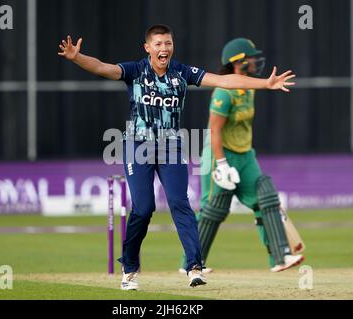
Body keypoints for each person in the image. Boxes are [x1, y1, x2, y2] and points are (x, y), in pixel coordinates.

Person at [58, 25, 296, 290]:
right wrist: (77, 58)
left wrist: (266, 83)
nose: (164, 49)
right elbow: (103, 68)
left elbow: (224, 81)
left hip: (171, 147)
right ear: (147, 47)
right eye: (158, 44)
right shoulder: (135, 71)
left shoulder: (182, 73)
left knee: (180, 203)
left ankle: (194, 266)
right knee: (143, 208)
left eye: (168, 43)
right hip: (138, 146)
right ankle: (129, 267)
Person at [179, 38, 304, 274]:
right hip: (219, 155)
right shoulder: (224, 93)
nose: (256, 61)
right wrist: (222, 164)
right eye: (251, 57)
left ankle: (280, 256)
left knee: (265, 197)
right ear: (238, 62)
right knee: (213, 211)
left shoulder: (251, 87)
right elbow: (214, 130)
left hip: (246, 155)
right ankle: (191, 262)